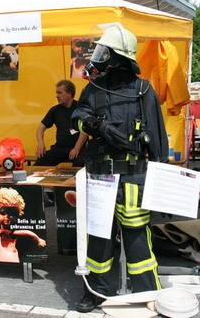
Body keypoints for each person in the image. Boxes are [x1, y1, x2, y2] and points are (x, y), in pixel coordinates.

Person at [71, 24, 169, 313]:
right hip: (100, 178)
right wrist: (94, 124)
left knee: (137, 238)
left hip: (133, 178)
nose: (98, 56)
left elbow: (158, 138)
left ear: (116, 57)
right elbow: (77, 117)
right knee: (99, 237)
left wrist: (161, 181)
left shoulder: (143, 89)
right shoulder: (93, 89)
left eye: (103, 51)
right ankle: (95, 291)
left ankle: (148, 293)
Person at [35, 80, 88, 167]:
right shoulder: (54, 110)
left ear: (69, 94)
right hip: (60, 147)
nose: (57, 96)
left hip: (80, 147)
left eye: (60, 93)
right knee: (41, 160)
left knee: (79, 163)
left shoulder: (80, 108)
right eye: (56, 93)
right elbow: (41, 128)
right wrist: (40, 143)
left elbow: (84, 131)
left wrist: (76, 148)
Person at [0, 187, 46, 263]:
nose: (7, 216)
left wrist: (38, 239)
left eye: (12, 213)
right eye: (3, 212)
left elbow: (26, 232)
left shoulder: (11, 233)